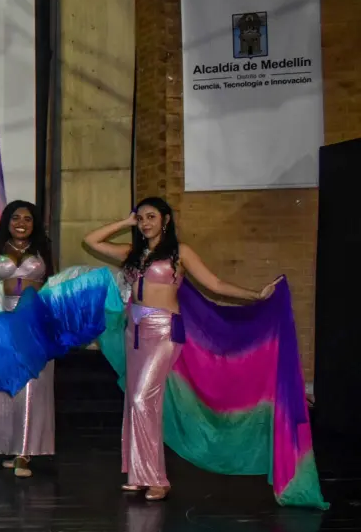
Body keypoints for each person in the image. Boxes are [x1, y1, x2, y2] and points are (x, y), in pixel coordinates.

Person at [83, 197, 277, 501]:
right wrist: (125, 223)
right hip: (134, 331)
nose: (146, 223)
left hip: (163, 332)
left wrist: (256, 295)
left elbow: (215, 283)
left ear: (166, 220)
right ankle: (139, 473)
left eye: (151, 217)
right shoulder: (134, 253)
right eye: (141, 218)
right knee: (134, 403)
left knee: (142, 398)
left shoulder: (179, 253)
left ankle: (157, 478)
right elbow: (90, 241)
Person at [0, 201, 56, 478]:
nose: (21, 223)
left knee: (32, 385)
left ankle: (25, 452)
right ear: (7, 222)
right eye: (15, 218)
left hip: (34, 320)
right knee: (6, 384)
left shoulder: (42, 250)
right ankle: (7, 446)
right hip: (4, 319)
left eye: (27, 218)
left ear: (34, 224)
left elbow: (53, 286)